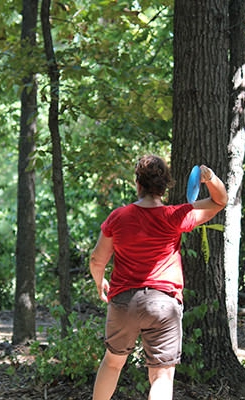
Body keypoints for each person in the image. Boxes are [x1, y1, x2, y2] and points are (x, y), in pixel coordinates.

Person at [89, 155, 228, 400]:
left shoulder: (118, 217)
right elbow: (219, 201)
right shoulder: (176, 216)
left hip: (124, 301)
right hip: (164, 303)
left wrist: (100, 282)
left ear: (138, 184)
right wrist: (210, 177)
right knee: (162, 375)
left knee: (112, 364)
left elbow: (97, 260)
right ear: (164, 186)